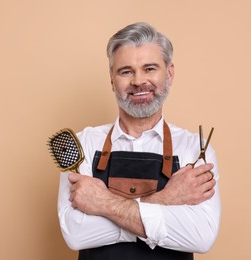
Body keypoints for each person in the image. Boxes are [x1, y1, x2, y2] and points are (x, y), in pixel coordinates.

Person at [57, 22, 221, 260]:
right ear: (112, 79)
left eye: (150, 68)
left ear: (170, 74)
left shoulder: (194, 149)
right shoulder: (83, 144)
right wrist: (166, 199)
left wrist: (105, 205)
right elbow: (76, 233)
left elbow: (201, 236)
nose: (138, 81)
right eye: (126, 71)